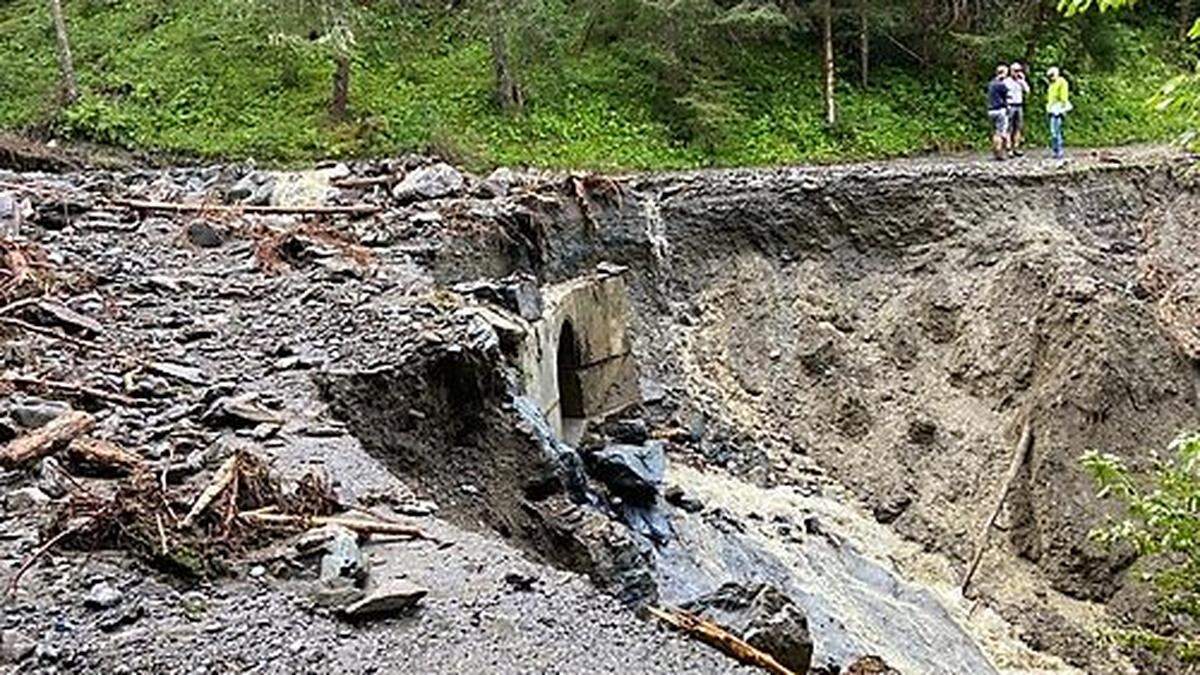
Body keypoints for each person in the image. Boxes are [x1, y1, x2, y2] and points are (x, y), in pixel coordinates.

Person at [1046, 66, 1072, 161]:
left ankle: (1059, 150)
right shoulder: (1051, 84)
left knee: (1056, 130)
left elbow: (1064, 96)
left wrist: (1063, 108)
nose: (1050, 77)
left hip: (1059, 109)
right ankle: (1055, 150)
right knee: (1053, 131)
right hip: (1052, 109)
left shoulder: (1062, 82)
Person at [1004, 62, 1031, 156]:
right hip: (1010, 105)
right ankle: (1009, 148)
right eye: (1015, 71)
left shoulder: (1020, 81)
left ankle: (1016, 147)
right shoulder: (1006, 81)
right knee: (1009, 128)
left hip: (1019, 105)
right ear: (1011, 71)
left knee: (1018, 127)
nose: (1017, 73)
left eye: (1019, 70)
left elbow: (1027, 90)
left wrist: (1023, 81)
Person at [987, 65, 1010, 160]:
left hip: (990, 110)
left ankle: (995, 152)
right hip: (1000, 110)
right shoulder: (1001, 84)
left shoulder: (991, 83)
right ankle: (999, 153)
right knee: (1000, 133)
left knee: (994, 132)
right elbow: (1007, 94)